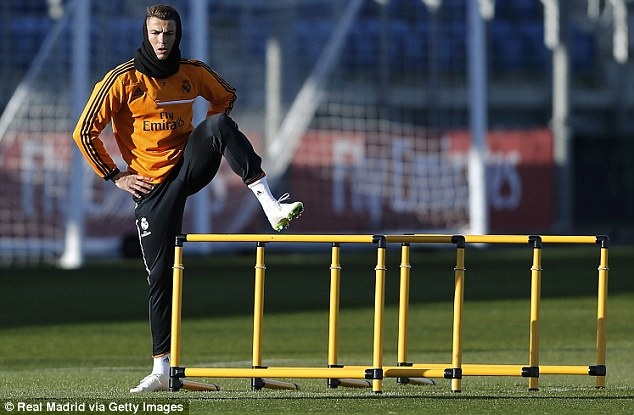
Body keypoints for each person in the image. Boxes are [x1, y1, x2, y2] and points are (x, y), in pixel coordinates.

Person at [72, 4, 303, 393]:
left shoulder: (192, 71)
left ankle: (270, 203)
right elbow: (84, 132)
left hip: (188, 167)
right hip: (150, 187)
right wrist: (116, 176)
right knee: (160, 276)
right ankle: (162, 370)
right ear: (146, 34)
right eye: (155, 33)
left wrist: (206, 138)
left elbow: (226, 97)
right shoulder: (121, 80)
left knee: (218, 124)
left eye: (169, 33)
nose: (162, 40)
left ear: (178, 34)